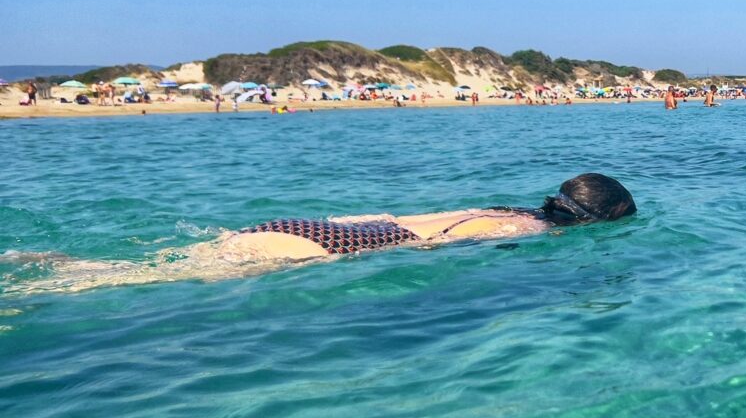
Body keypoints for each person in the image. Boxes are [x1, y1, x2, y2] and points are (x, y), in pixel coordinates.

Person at [11, 174, 636, 293]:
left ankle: (32, 261)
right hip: (329, 248)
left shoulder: (496, 202)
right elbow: (434, 247)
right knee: (120, 282)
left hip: (320, 226)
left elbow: (405, 217)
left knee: (134, 262)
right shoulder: (513, 228)